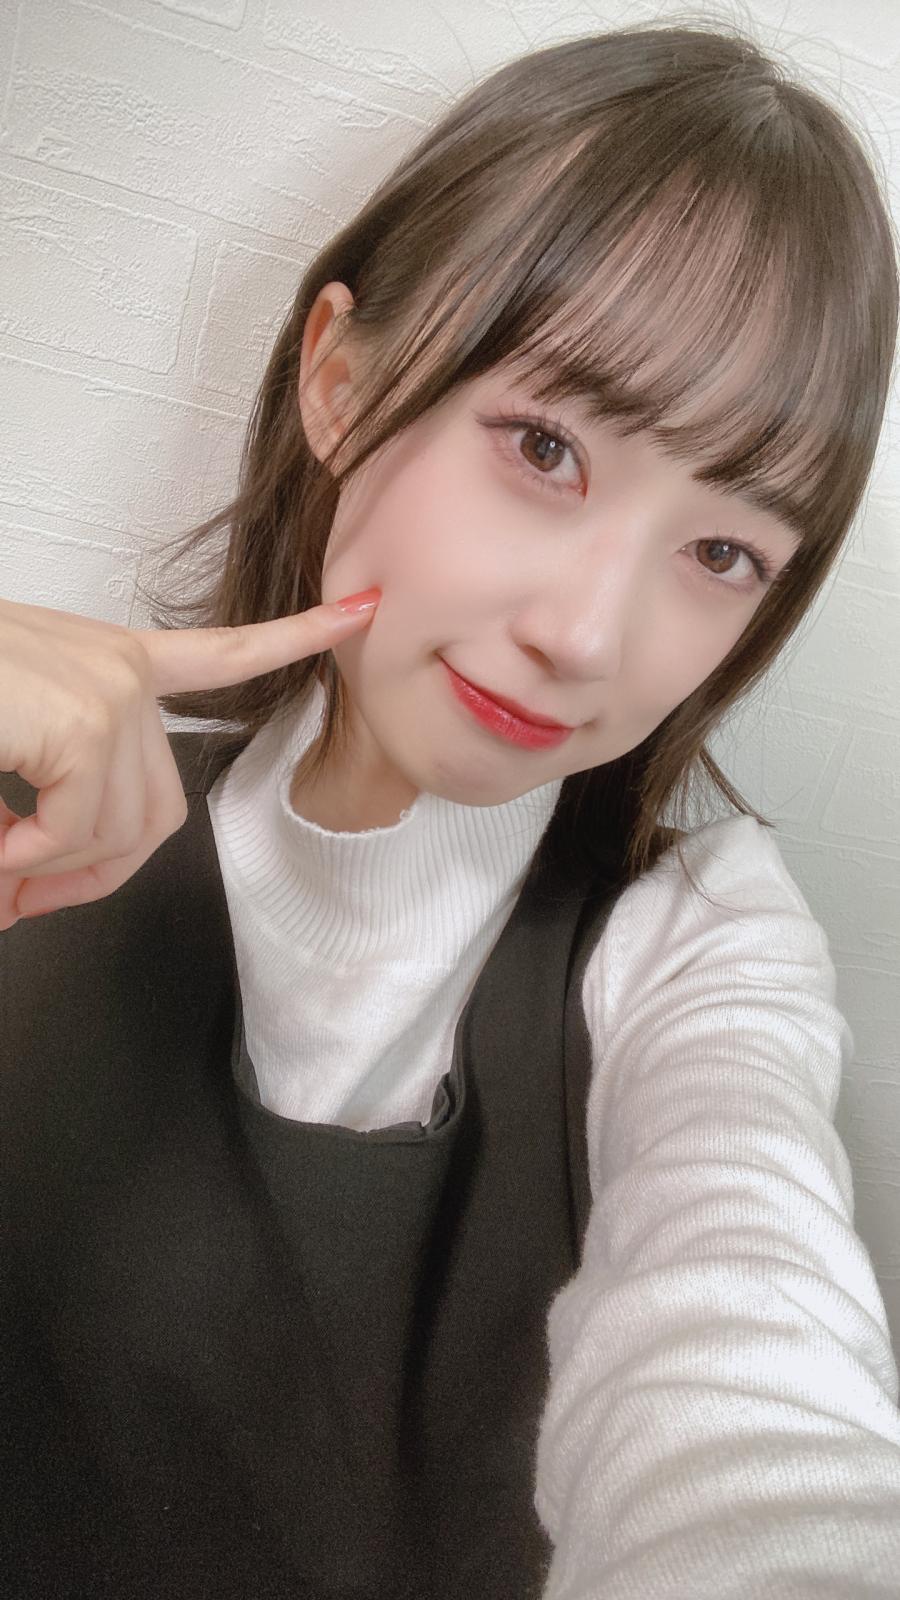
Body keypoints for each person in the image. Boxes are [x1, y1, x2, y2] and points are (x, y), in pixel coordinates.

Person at [2, 19, 900, 1600]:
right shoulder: (46, 799)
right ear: (341, 382)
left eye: (722, 553)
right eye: (545, 447)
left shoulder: (696, 943)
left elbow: (757, 1357)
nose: (590, 637)